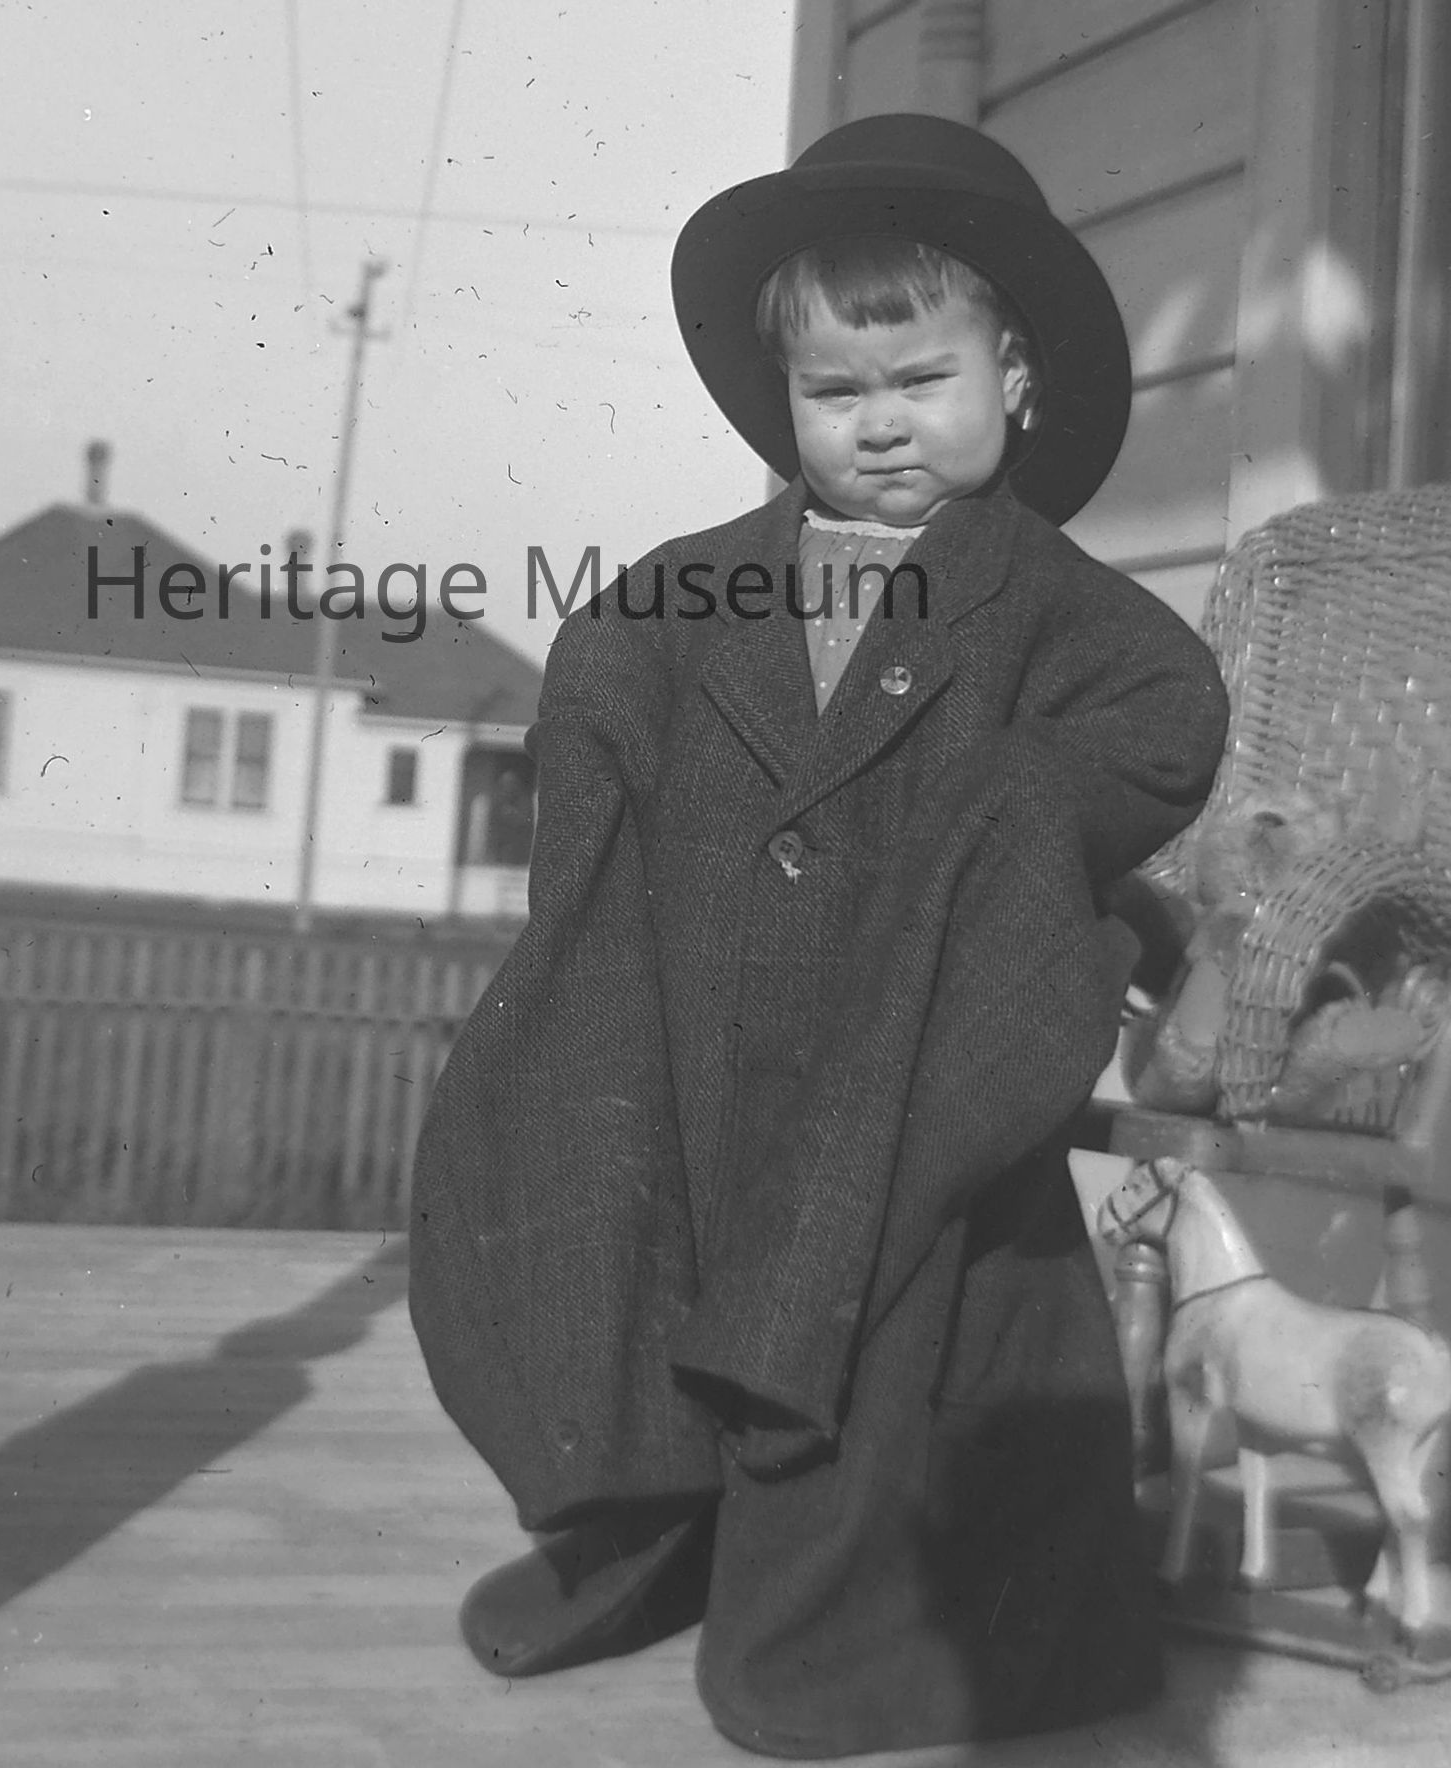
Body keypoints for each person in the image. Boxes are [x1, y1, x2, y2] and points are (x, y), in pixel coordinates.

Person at [408, 114, 1230, 1757]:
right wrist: (602, 705)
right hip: (708, 1033)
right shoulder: (700, 590)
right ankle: (656, 1523)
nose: (881, 425)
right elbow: (610, 670)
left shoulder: (1067, 614)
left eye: (921, 379)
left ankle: (840, 1639)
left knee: (894, 1328)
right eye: (835, 393)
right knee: (614, 1229)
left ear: (1015, 380)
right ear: (785, 404)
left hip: (918, 1061)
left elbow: (1160, 723)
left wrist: (1024, 814)